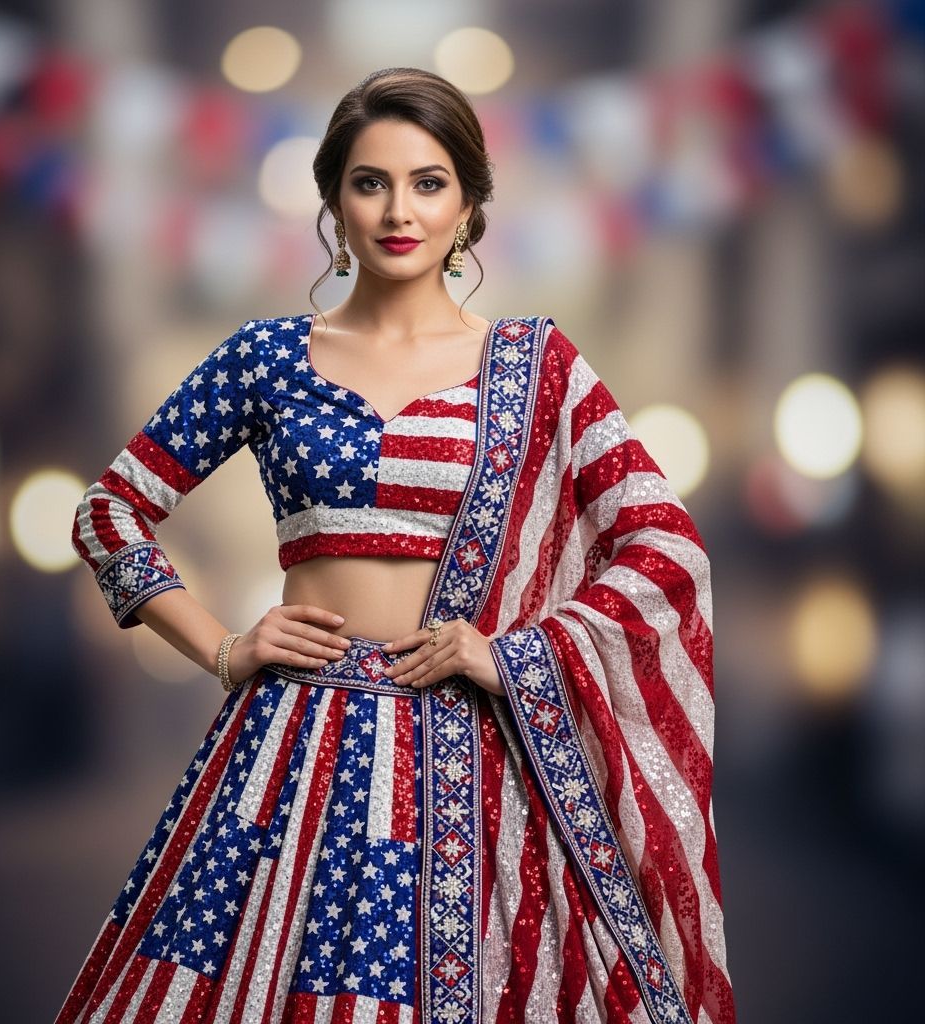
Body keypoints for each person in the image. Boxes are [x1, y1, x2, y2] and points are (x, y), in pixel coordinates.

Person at [55, 67, 735, 1024]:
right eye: (370, 182)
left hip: (473, 756)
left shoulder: (539, 367)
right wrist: (221, 647)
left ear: (470, 205)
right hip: (291, 751)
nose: (398, 210)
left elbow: (664, 548)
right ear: (333, 199)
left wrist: (509, 654)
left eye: (429, 182)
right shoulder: (266, 358)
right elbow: (108, 512)